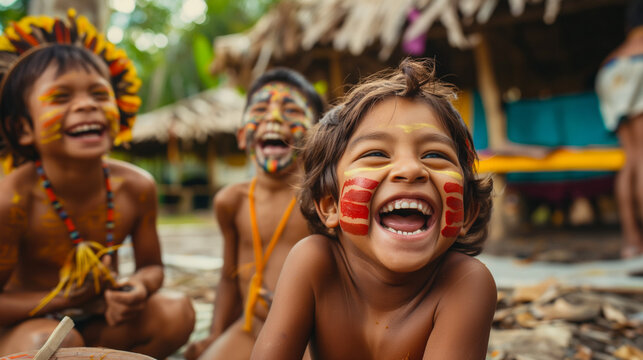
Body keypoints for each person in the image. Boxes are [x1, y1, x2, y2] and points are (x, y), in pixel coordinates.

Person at [251, 58, 497, 359]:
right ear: (331, 204)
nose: (410, 169)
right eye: (377, 154)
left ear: (467, 212)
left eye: (434, 154)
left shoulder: (465, 283)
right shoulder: (313, 263)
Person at [0, 10, 194, 357]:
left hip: (101, 320)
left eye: (99, 94)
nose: (87, 105)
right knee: (51, 345)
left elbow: (152, 269)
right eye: (61, 98)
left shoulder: (136, 187)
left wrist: (136, 287)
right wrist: (63, 299)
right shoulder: (12, 199)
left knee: (176, 312)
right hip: (28, 328)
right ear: (22, 129)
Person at [184, 68, 324, 360]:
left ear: (317, 134)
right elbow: (228, 277)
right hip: (250, 326)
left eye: (291, 110)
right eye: (260, 109)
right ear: (241, 135)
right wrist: (215, 334)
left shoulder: (322, 200)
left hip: (309, 332)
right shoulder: (230, 201)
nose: (272, 119)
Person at [596, 0, 643, 259]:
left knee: (631, 158)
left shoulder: (614, 55)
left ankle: (631, 241)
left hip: (611, 72)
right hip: (640, 64)